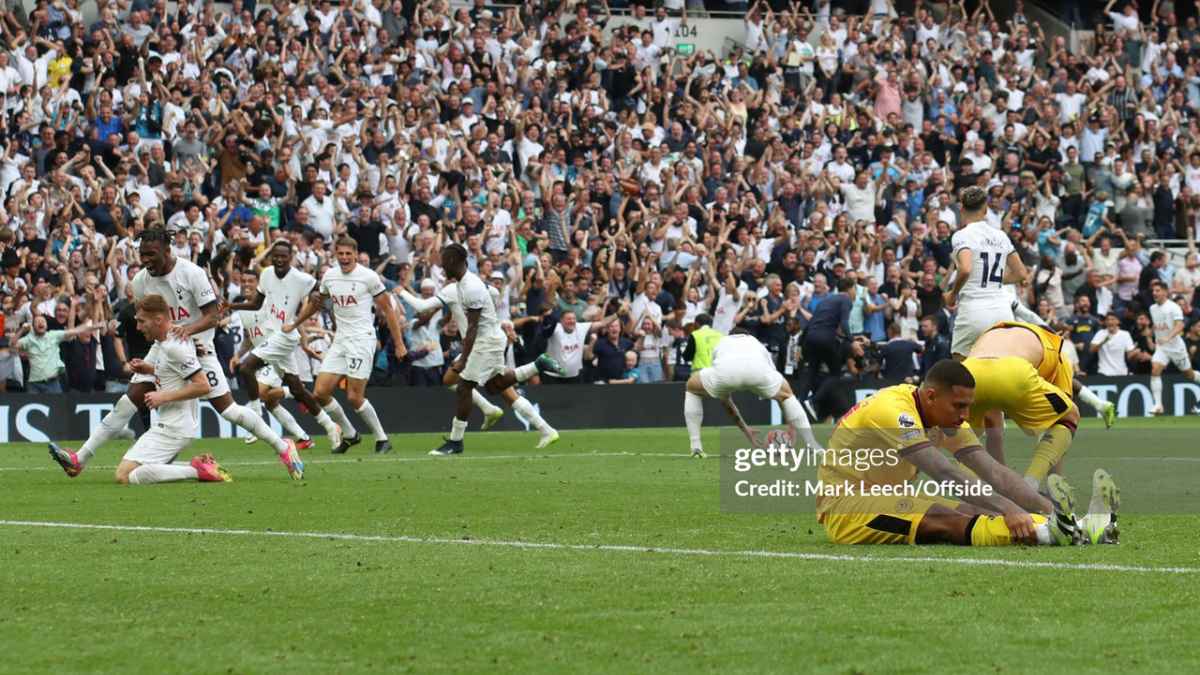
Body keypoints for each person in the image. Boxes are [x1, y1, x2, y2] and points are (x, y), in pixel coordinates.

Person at [51, 228, 302, 480]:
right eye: (142, 254)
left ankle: (283, 447)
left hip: (199, 349)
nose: (146, 260)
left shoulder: (191, 273)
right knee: (131, 397)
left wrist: (188, 332)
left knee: (228, 409)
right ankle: (79, 459)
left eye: (151, 254)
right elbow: (146, 317)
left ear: (167, 251)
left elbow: (214, 316)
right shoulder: (140, 281)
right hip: (164, 346)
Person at [816, 359, 1114, 546]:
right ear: (931, 396)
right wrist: (1009, 508)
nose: (966, 414)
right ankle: (1046, 535)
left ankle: (1074, 526)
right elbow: (944, 473)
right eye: (959, 406)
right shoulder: (894, 411)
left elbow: (994, 472)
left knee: (975, 509)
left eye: (969, 405)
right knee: (943, 517)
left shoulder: (943, 415)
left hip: (890, 494)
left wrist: (1051, 510)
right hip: (847, 507)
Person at [398, 244, 565, 455]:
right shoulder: (466, 284)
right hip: (489, 340)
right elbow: (493, 294)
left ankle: (456, 441)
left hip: (483, 343)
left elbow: (473, 329)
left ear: (452, 262)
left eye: (443, 264)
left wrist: (463, 359)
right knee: (496, 387)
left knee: (464, 387)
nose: (441, 269)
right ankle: (537, 373)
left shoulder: (470, 288)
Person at [49, 295, 232, 485]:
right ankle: (198, 466)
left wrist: (163, 396)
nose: (138, 327)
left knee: (125, 476)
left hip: (175, 428)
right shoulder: (166, 342)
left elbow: (203, 385)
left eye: (142, 321)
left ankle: (197, 471)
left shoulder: (174, 347)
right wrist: (149, 369)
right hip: (173, 425)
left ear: (159, 320)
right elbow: (174, 373)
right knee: (134, 471)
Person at [285, 237, 407, 454]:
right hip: (341, 340)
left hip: (361, 339)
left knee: (354, 397)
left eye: (348, 254)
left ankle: (382, 439)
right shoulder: (330, 277)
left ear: (355, 253)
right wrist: (295, 323)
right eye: (340, 254)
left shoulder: (368, 277)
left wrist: (398, 343)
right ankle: (351, 435)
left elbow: (388, 309)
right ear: (335, 254)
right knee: (320, 392)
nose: (344, 258)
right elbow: (316, 303)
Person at [229, 239, 345, 455]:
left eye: (284, 256)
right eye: (276, 256)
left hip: (283, 335)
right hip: (273, 338)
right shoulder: (265, 274)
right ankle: (330, 426)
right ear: (272, 257)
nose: (280, 259)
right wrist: (230, 305)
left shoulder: (303, 279)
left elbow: (318, 300)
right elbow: (256, 304)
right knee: (297, 389)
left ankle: (255, 422)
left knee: (246, 369)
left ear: (291, 257)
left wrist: (297, 322)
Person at [961, 322, 1084, 489]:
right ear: (1058, 335)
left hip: (968, 370)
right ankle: (1030, 485)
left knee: (969, 440)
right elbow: (1058, 415)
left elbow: (991, 418)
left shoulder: (996, 332)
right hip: (1013, 371)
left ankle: (970, 499)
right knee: (1070, 416)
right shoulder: (1055, 344)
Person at [683, 329, 819, 458]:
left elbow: (724, 399)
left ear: (730, 335)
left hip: (727, 374)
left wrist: (745, 429)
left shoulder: (722, 342)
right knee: (787, 394)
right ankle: (812, 444)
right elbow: (781, 397)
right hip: (758, 372)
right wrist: (792, 428)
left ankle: (696, 446)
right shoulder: (756, 343)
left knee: (691, 387)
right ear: (747, 335)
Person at [230, 272, 313, 449]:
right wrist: (238, 355)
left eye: (250, 281)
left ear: (258, 284)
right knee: (270, 400)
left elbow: (294, 322)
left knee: (259, 392)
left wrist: (305, 344)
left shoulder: (269, 302)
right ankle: (303, 437)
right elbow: (249, 337)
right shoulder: (244, 309)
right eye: (243, 281)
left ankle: (257, 424)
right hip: (263, 356)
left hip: (276, 353)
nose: (246, 284)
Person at [944, 186, 1028, 358]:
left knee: (962, 371)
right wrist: (992, 280)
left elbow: (966, 268)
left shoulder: (962, 235)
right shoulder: (1001, 236)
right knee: (998, 370)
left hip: (974, 311)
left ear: (961, 208)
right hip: (1002, 312)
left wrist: (952, 294)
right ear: (985, 209)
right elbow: (1021, 273)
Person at [1148, 280, 1200, 415]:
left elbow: (1180, 325)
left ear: (1165, 292)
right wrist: (1155, 338)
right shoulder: (1152, 308)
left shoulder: (1173, 307)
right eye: (1153, 291)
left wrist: (1168, 337)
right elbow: (1158, 325)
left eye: (1158, 290)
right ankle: (1158, 406)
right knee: (1155, 370)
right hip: (1162, 347)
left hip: (1176, 347)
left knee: (1189, 374)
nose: (1154, 293)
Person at [15, 315, 102, 393]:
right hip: (34, 385)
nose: (41, 323)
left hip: (53, 383)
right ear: (33, 327)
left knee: (59, 410)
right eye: (37, 322)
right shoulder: (28, 339)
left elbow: (75, 330)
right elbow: (12, 345)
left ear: (46, 325)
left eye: (43, 321)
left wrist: (94, 326)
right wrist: (22, 330)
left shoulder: (54, 335)